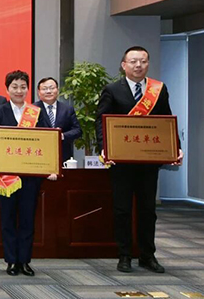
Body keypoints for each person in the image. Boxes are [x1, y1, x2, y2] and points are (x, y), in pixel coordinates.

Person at [95, 46, 183, 274]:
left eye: (143, 61)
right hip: (121, 162)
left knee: (147, 210)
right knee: (122, 210)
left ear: (148, 64)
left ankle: (147, 255)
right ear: (123, 65)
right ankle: (124, 255)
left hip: (148, 162)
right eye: (133, 61)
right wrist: (104, 148)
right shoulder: (112, 90)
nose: (138, 65)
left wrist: (176, 148)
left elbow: (166, 121)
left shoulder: (158, 90)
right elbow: (101, 121)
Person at [0, 70, 55, 277]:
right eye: (15, 87)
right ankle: (11, 261)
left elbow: (47, 140)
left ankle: (24, 261)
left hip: (30, 175)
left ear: (28, 89)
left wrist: (50, 167)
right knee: (7, 219)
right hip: (6, 175)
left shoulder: (36, 112)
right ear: (7, 89)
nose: (19, 91)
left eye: (23, 87)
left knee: (27, 219)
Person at [34, 77, 81, 162]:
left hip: (63, 155)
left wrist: (62, 136)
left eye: (52, 88)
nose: (48, 91)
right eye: (44, 89)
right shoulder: (32, 109)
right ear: (39, 92)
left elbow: (77, 130)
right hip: (39, 155)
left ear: (57, 90)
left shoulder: (67, 109)